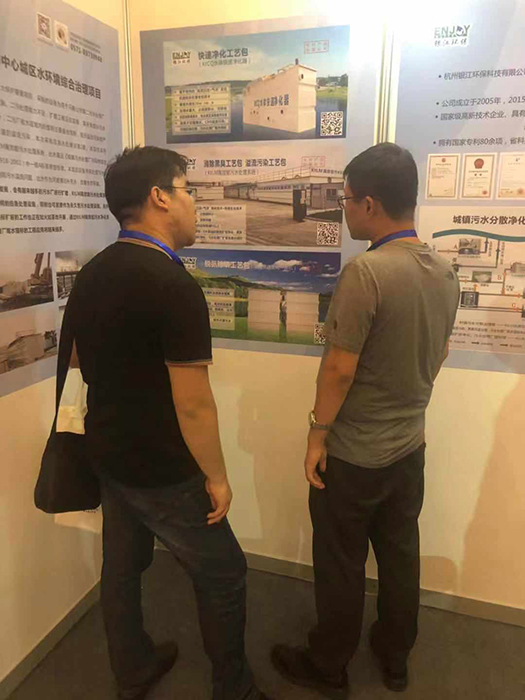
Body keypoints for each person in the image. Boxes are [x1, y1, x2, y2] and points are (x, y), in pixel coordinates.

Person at [65, 146, 271, 700]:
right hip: (164, 468)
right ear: (159, 197)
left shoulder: (93, 272)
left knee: (122, 567)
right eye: (188, 190)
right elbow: (194, 404)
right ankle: (235, 689)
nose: (195, 203)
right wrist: (218, 477)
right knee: (224, 572)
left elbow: (80, 360)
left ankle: (132, 669)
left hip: (109, 452)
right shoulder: (173, 285)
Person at [271, 143, 460, 696]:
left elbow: (338, 370)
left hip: (354, 456)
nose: (345, 209)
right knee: (400, 555)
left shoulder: (367, 272)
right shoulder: (444, 271)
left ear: (370, 204)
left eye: (347, 200)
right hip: (409, 448)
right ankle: (395, 656)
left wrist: (316, 434)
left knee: (340, 563)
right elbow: (440, 353)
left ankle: (328, 665)